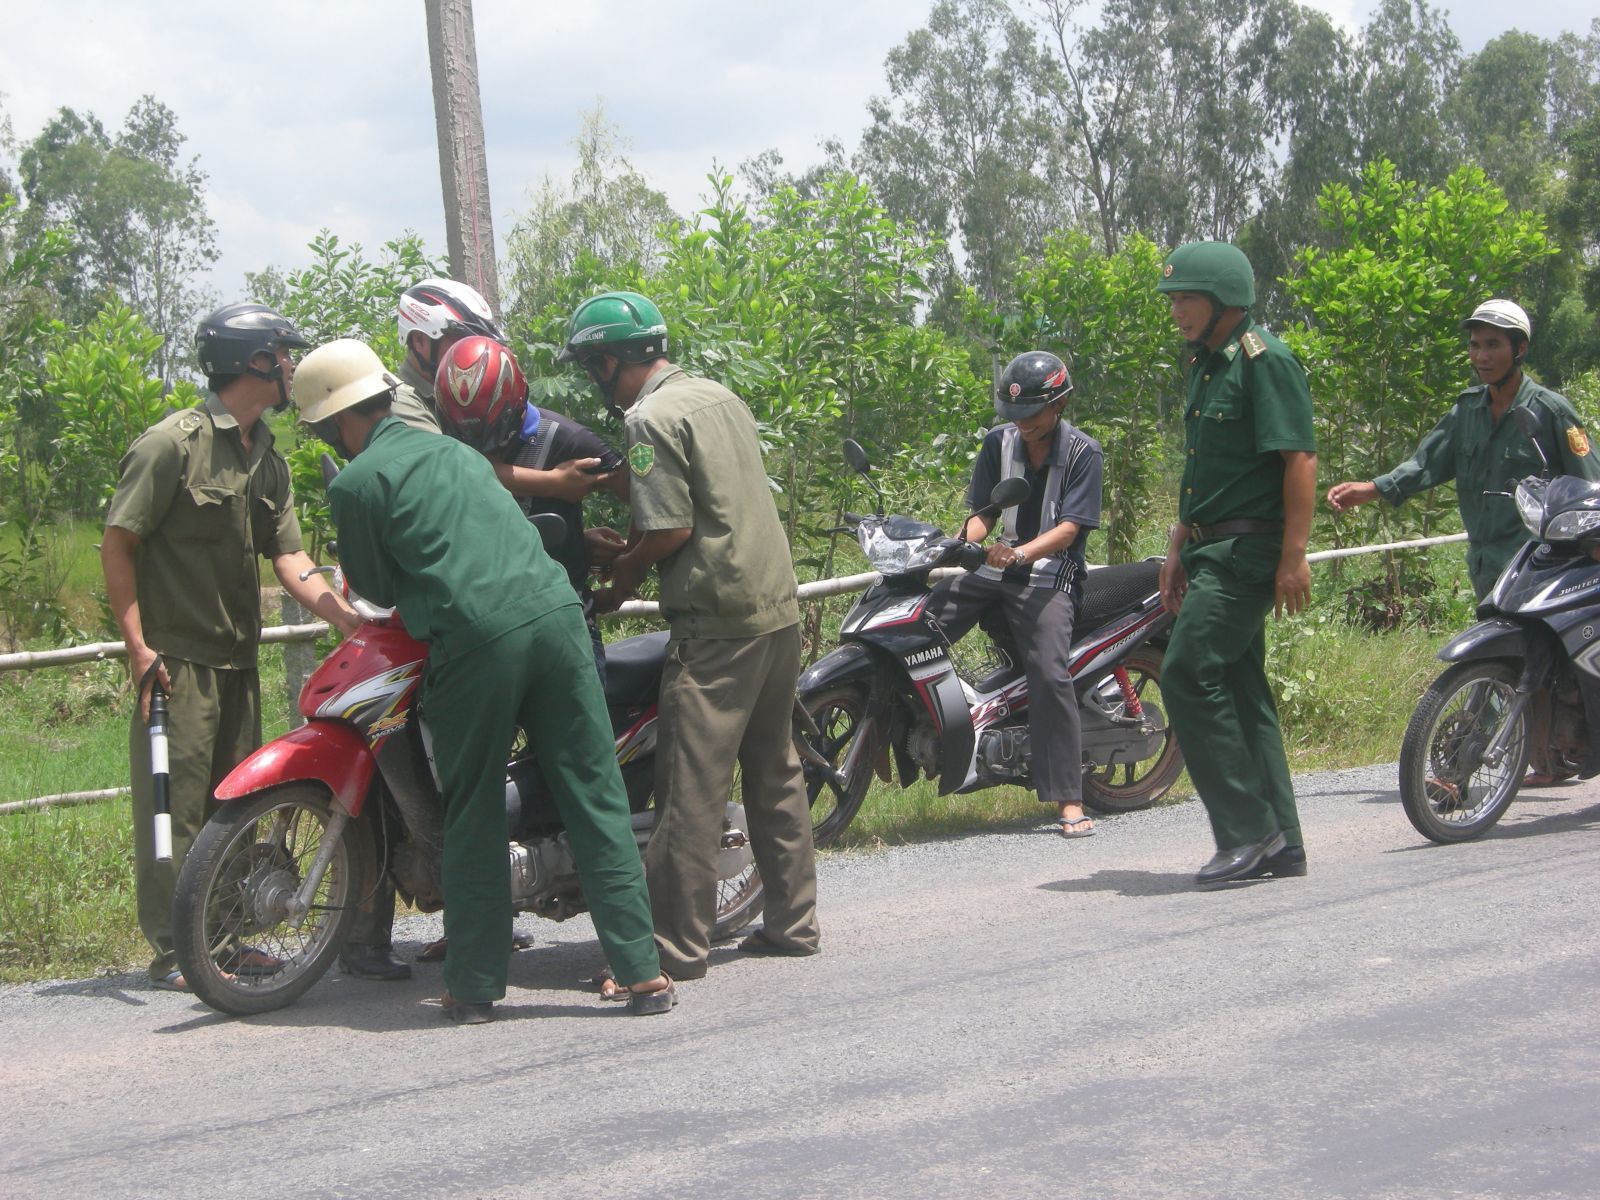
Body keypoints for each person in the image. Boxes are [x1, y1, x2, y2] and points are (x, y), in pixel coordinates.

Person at [293, 337, 673, 1023]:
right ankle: (641, 972)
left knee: (470, 809)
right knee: (594, 795)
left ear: (331, 423)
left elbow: (374, 587)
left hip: (477, 638)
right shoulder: (459, 453)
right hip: (559, 619)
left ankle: (473, 984)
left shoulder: (355, 484)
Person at [558, 290, 820, 985]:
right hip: (776, 609)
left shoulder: (648, 418)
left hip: (717, 625)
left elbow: (671, 531)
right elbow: (702, 501)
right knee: (775, 771)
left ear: (611, 360)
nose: (595, 381)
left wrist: (619, 578)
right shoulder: (718, 396)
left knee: (691, 791)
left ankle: (672, 950)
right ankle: (794, 924)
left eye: (593, 367)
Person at [102, 302, 361, 992]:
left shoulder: (265, 455)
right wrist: (136, 648)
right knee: (175, 811)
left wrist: (347, 619)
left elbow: (290, 558)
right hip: (176, 666)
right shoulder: (171, 445)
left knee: (235, 808)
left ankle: (227, 941)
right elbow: (118, 544)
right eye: (282, 356)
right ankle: (175, 952)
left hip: (238, 663)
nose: (290, 368)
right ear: (251, 361)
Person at [1325, 299, 1600, 785]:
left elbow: (1589, 481)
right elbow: (1426, 464)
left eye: (1493, 344)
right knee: (1506, 657)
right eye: (1475, 345)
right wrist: (1371, 489)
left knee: (1556, 661)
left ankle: (1467, 765)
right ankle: (1542, 758)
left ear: (1520, 349)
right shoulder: (1466, 410)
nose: (1481, 355)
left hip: (1542, 561)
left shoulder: (1551, 410)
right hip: (1488, 560)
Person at [1155, 242, 1317, 885]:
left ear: (1225, 300)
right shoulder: (1205, 364)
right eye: (1174, 300)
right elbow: (1203, 473)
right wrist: (1177, 545)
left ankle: (1247, 833)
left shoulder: (1265, 361)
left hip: (1249, 552)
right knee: (1244, 691)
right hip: (1210, 545)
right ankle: (1283, 843)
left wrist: (1293, 559)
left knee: (1188, 674)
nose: (1177, 311)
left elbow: (1298, 460)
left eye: (1187, 298)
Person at [923, 351, 1102, 837]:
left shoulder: (1085, 453)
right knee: (919, 626)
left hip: (1049, 576)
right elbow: (982, 511)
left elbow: (1069, 530)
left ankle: (1068, 797)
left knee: (1049, 669)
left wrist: (1021, 555)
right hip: (994, 569)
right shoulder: (998, 442)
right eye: (1014, 415)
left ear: (1059, 405)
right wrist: (966, 543)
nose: (1021, 424)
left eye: (1031, 415)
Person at [433, 334, 628, 685]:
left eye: (494, 439)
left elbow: (645, 494)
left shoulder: (566, 440)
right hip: (481, 635)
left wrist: (625, 574)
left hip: (565, 634)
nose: (483, 452)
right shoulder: (445, 452)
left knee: (580, 738)